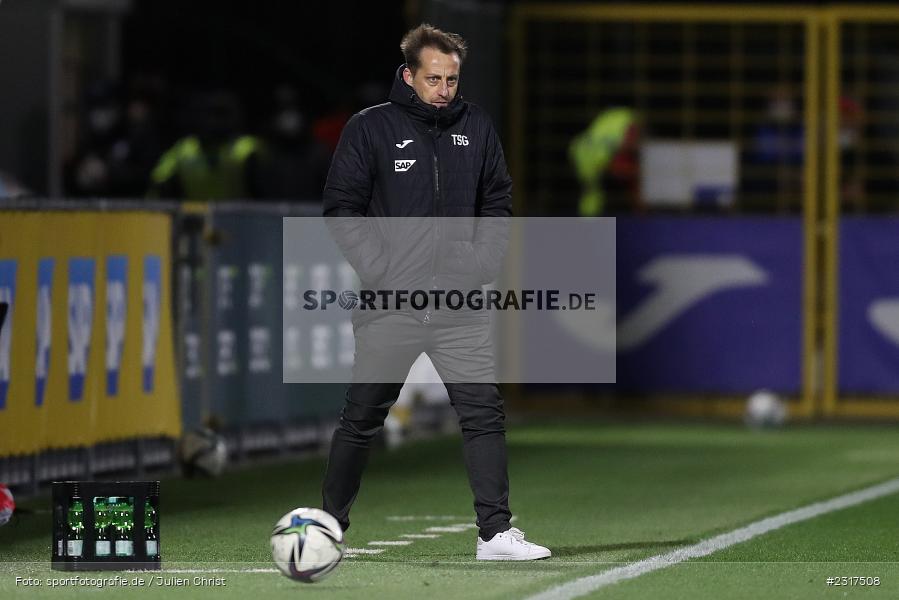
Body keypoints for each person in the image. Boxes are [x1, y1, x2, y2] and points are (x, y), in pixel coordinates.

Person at [320, 23, 551, 561]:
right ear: (408, 75)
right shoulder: (370, 129)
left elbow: (498, 200)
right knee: (361, 417)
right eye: (434, 78)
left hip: (458, 305)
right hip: (390, 306)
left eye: (452, 78)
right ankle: (328, 529)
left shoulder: (477, 126)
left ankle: (494, 534)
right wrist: (383, 271)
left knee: (482, 412)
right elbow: (341, 209)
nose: (445, 88)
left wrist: (478, 267)